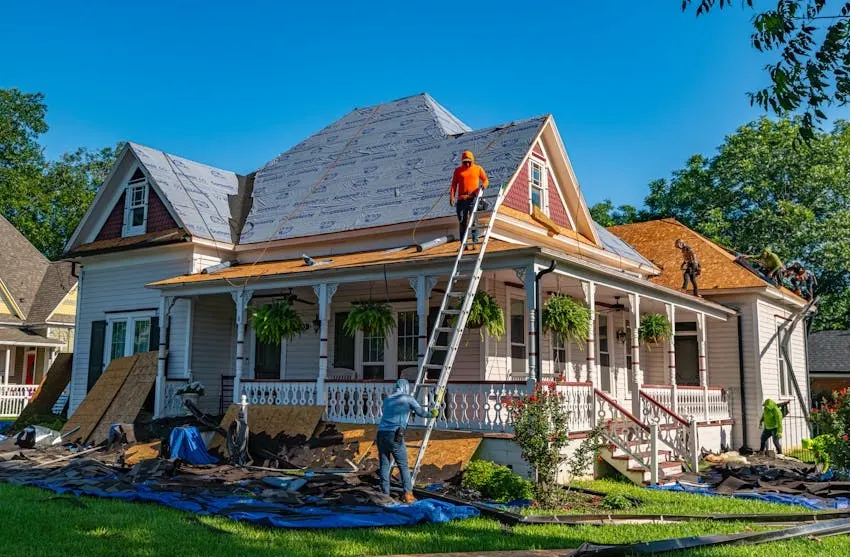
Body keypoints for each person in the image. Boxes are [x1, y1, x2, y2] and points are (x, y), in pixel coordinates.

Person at [376, 379, 439, 503]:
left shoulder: (388, 399)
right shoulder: (408, 398)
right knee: (403, 465)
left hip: (381, 433)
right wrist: (432, 414)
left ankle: (385, 494)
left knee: (384, 464)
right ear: (406, 388)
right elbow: (420, 412)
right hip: (395, 434)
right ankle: (408, 494)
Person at [449, 151, 489, 248]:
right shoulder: (458, 170)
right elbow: (454, 185)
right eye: (465, 161)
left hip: (472, 198)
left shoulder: (477, 169)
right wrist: (452, 197)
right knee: (462, 221)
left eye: (469, 161)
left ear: (472, 160)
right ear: (462, 161)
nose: (467, 163)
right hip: (461, 199)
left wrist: (482, 186)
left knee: (473, 219)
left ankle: (475, 242)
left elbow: (486, 180)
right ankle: (464, 244)